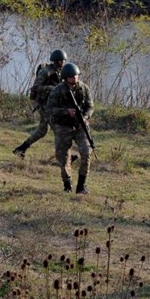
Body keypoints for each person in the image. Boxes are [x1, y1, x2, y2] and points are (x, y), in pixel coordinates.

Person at [45, 62, 94, 193]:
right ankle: (67, 184)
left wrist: (85, 116)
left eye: (76, 76)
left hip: (80, 126)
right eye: (72, 76)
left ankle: (81, 185)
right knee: (63, 156)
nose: (75, 78)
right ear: (66, 78)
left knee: (86, 152)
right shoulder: (58, 90)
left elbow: (90, 107)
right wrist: (66, 112)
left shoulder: (84, 88)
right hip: (63, 126)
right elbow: (50, 109)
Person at [13, 49, 68, 158]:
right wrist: (50, 88)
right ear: (56, 61)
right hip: (44, 105)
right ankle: (65, 156)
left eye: (64, 60)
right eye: (61, 60)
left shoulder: (60, 72)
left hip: (51, 104)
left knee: (42, 131)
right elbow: (36, 87)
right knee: (58, 129)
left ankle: (21, 149)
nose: (63, 62)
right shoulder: (46, 72)